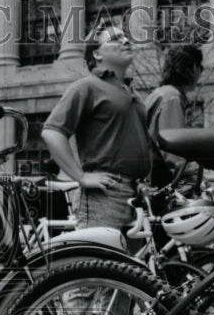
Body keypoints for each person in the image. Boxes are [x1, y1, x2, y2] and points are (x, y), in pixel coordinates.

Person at [41, 26, 155, 233]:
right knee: (96, 264)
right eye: (116, 38)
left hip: (136, 193)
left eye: (126, 37)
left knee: (130, 265)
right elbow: (51, 132)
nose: (126, 41)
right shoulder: (86, 86)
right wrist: (82, 177)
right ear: (97, 53)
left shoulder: (132, 93)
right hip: (105, 194)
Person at [144, 44, 205, 190]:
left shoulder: (163, 94)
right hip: (160, 183)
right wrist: (191, 182)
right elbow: (173, 151)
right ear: (191, 68)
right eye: (200, 66)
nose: (201, 72)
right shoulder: (171, 98)